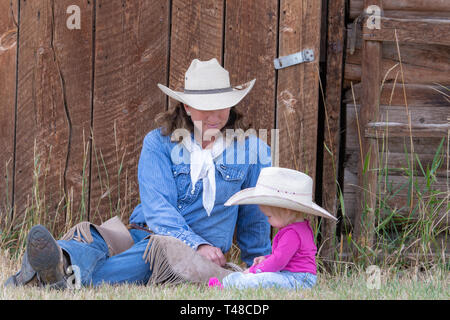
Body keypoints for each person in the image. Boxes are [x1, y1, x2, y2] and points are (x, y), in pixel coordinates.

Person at [4, 58, 272, 288]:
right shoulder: (159, 143)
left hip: (177, 252)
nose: (215, 115)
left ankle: (42, 276)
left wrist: (259, 262)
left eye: (222, 105)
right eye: (205, 106)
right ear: (187, 107)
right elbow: (158, 209)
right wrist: (196, 243)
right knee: (95, 239)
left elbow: (255, 216)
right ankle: (58, 262)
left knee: (147, 257)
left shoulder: (252, 151)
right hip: (141, 231)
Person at [208, 167, 338, 290]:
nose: (268, 221)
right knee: (265, 277)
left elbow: (279, 261)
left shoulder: (292, 234)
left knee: (264, 279)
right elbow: (285, 256)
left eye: (269, 216)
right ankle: (230, 282)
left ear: (286, 211)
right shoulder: (301, 228)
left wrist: (254, 270)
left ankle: (231, 284)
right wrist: (266, 259)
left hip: (298, 280)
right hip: (298, 277)